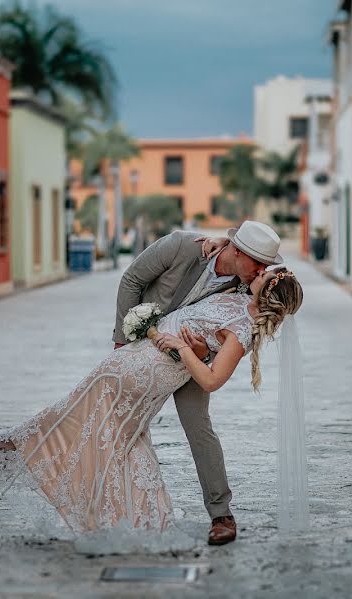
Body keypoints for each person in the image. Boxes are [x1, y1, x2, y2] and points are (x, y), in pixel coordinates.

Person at [0, 264, 303, 542]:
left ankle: (29, 447)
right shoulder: (239, 293)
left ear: (269, 291)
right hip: (132, 360)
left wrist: (185, 348)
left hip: (149, 370)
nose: (258, 271)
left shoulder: (243, 330)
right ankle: (130, 513)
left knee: (102, 426)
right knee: (104, 428)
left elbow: (211, 380)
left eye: (265, 274)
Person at [111, 220, 282, 545]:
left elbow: (242, 333)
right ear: (237, 250)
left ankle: (222, 516)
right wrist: (123, 342)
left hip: (192, 361)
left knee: (198, 426)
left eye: (266, 265)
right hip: (142, 349)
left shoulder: (248, 284)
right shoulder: (181, 246)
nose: (261, 270)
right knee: (116, 415)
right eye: (258, 262)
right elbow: (132, 279)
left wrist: (203, 351)